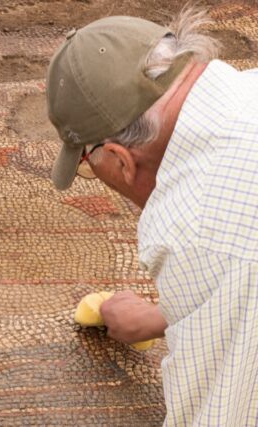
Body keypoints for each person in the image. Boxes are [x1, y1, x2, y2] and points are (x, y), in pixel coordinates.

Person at [47, 6, 258, 426]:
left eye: (89, 163)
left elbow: (219, 414)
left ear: (122, 160)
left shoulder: (197, 224)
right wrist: (175, 316)